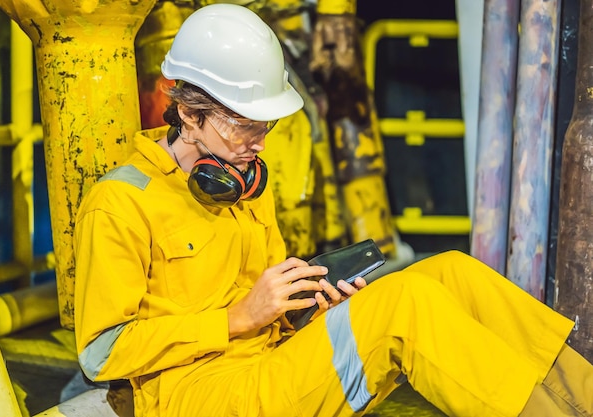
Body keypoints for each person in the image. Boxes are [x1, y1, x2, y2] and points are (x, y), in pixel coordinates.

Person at [72, 4, 593, 417]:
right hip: (205, 397)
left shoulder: (242, 186)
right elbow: (101, 353)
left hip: (271, 366)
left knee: (452, 273)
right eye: (245, 125)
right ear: (188, 112)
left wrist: (311, 311)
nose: (259, 143)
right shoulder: (121, 201)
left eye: (265, 127)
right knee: (406, 303)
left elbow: (268, 312)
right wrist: (235, 319)